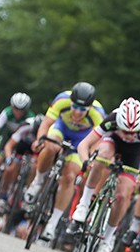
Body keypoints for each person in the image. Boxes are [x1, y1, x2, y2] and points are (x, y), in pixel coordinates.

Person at [71, 97, 140, 252]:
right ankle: (83, 204)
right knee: (102, 154)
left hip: (133, 154)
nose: (128, 135)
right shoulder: (112, 120)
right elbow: (84, 145)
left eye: (132, 132)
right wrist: (86, 161)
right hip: (112, 143)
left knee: (122, 196)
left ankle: (107, 240)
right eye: (125, 131)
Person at [24, 83, 105, 241]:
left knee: (70, 176)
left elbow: (96, 142)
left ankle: (52, 224)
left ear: (89, 108)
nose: (76, 112)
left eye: (82, 110)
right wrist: (41, 139)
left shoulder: (98, 113)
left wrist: (89, 158)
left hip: (81, 140)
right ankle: (38, 182)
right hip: (61, 129)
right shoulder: (62, 99)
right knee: (50, 146)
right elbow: (46, 124)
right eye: (74, 107)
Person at [0, 93, 34, 215]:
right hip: (5, 140)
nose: (18, 112)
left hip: (19, 143)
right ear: (12, 106)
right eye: (16, 109)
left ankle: (7, 192)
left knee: (14, 165)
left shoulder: (30, 118)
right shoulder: (7, 112)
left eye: (22, 110)